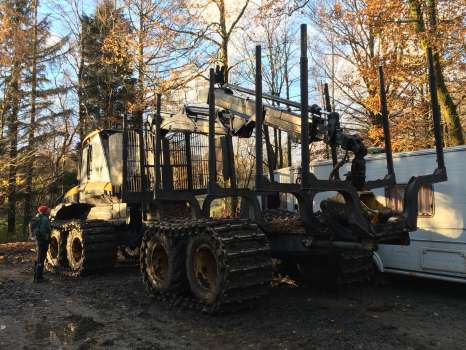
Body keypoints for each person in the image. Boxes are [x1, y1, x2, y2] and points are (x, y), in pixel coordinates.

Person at [33, 205, 51, 283]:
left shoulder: (38, 217)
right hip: (42, 241)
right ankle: (38, 278)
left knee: (38, 259)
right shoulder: (44, 219)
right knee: (41, 259)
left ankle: (36, 276)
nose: (49, 210)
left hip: (38, 241)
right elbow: (44, 231)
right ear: (45, 211)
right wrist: (47, 239)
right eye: (48, 209)